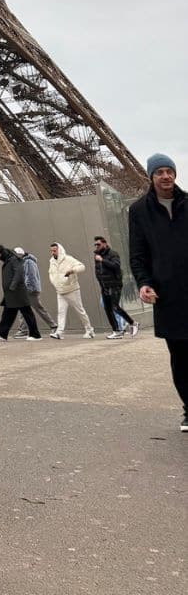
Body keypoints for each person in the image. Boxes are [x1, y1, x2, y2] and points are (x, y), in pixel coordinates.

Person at [128, 153, 188, 432]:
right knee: (180, 355)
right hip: (167, 295)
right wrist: (144, 282)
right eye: (160, 172)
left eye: (170, 171)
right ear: (151, 177)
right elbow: (138, 254)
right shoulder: (139, 211)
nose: (166, 176)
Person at [0, 246, 41, 341]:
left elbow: (19, 272)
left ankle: (36, 335)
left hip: (17, 292)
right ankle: (1, 334)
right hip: (12, 293)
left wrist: (12, 285)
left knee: (26, 313)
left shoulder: (13, 260)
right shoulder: (10, 260)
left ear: (2, 253)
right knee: (9, 313)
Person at [93, 235, 137, 339]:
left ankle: (133, 323)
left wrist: (102, 260)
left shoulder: (113, 254)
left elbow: (116, 266)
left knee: (115, 307)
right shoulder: (96, 255)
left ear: (105, 243)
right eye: (95, 245)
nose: (96, 247)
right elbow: (98, 272)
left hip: (114, 285)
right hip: (104, 286)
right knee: (108, 309)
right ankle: (116, 331)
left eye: (98, 244)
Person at [47, 242, 94, 339]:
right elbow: (51, 274)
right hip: (60, 291)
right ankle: (59, 332)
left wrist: (72, 271)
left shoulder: (68, 259)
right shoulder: (52, 261)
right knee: (61, 311)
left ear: (59, 250)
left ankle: (89, 330)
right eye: (51, 251)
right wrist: (55, 283)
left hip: (72, 290)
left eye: (54, 250)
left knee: (80, 310)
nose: (52, 253)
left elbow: (82, 266)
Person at [12, 246, 56, 338]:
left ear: (19, 255)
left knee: (38, 308)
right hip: (29, 289)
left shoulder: (28, 262)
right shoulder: (25, 261)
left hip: (30, 290)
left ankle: (53, 326)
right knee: (25, 309)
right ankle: (23, 330)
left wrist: (26, 288)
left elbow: (30, 276)